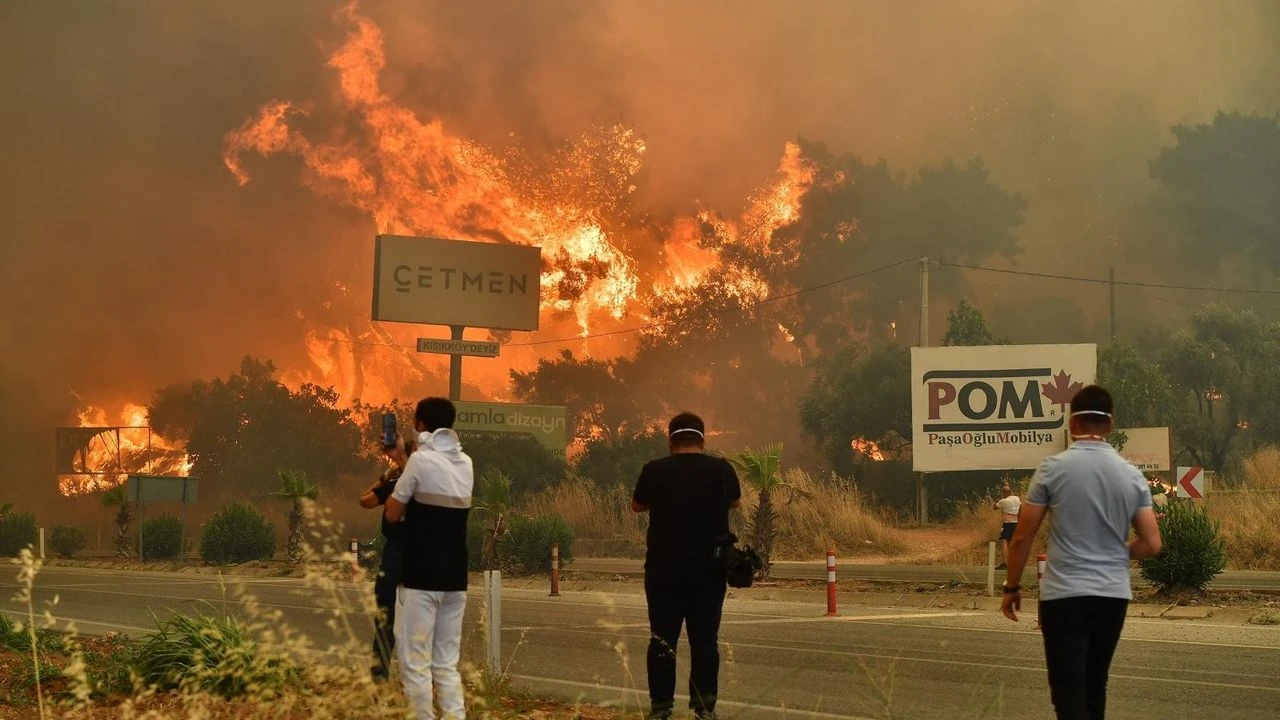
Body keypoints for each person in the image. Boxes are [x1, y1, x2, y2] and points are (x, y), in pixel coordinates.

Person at [1001, 385, 1162, 720]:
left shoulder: (1052, 469)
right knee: (1094, 686)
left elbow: (1022, 537)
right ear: (1110, 426)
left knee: (1068, 693)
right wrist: (1118, 554)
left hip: (1065, 596)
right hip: (1112, 596)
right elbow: (1151, 543)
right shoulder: (1132, 475)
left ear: (1072, 423)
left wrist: (1012, 588)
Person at [631, 412, 742, 720]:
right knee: (705, 642)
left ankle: (661, 708)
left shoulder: (655, 470)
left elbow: (637, 505)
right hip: (709, 571)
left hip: (663, 571)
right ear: (702, 440)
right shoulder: (721, 469)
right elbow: (735, 501)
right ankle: (704, 709)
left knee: (662, 640)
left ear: (671, 441)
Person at [385, 398, 474, 720]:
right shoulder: (466, 463)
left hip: (420, 578)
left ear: (421, 426)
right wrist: (405, 459)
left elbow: (393, 513)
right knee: (446, 664)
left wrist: (401, 462)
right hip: (455, 580)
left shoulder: (420, 462)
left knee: (415, 662)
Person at [359, 433, 414, 682]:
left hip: (412, 552)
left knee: (404, 617)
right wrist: (386, 476)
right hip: (398, 552)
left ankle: (387, 673)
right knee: (386, 615)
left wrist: (395, 468)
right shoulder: (396, 484)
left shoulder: (423, 485)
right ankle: (382, 673)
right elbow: (365, 501)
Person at [993, 483, 1021, 569]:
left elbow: (994, 507)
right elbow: (1021, 506)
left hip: (1007, 524)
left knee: (1004, 542)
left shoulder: (1003, 501)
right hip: (1016, 523)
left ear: (1003, 493)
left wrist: (1001, 499)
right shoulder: (1016, 498)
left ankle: (1006, 562)